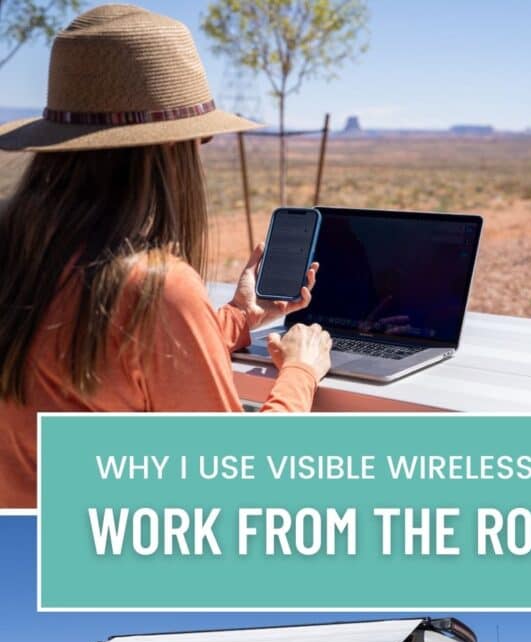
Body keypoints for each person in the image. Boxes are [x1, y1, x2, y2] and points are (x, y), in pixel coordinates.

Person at [0, 5, 331, 508]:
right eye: (199, 138)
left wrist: (240, 318)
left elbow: (117, 352)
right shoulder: (152, 287)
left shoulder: (22, 250)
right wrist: (301, 372)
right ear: (166, 152)